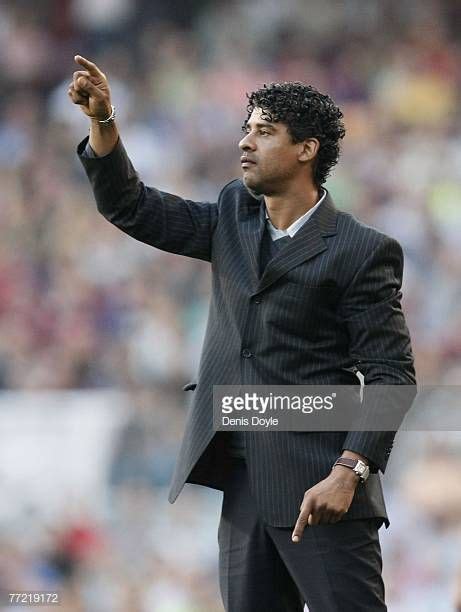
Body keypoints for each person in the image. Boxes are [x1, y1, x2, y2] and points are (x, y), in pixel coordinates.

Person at [68, 55, 416, 611]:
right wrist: (104, 123)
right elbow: (131, 206)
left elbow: (392, 375)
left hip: (319, 486)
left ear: (307, 150)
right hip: (243, 480)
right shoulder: (233, 212)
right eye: (245, 129)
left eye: (264, 131)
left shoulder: (361, 250)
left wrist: (348, 472)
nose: (245, 142)